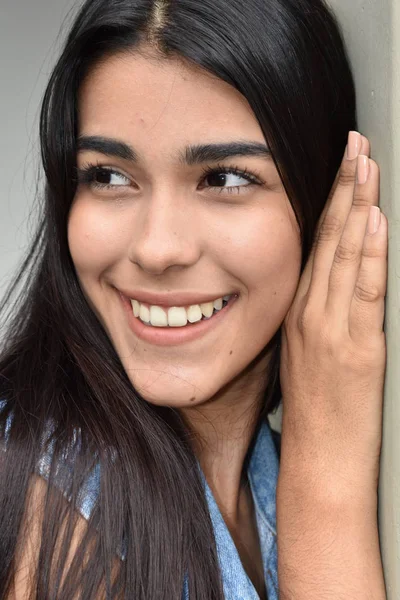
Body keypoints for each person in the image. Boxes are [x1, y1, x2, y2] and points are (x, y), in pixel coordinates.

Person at [0, 0, 388, 598]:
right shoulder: (52, 507)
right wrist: (327, 500)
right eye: (108, 175)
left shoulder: (265, 471)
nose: (157, 250)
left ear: (324, 203)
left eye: (226, 179)